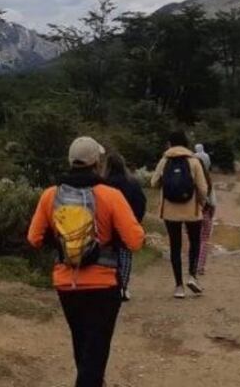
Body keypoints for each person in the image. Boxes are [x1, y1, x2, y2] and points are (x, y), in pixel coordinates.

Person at [28, 136, 145, 387]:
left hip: (66, 283)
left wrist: (62, 242)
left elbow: (34, 238)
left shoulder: (50, 195)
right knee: (96, 352)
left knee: (83, 347)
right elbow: (135, 241)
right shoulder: (111, 195)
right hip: (103, 284)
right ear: (96, 163)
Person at [150, 130, 208, 299]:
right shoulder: (194, 161)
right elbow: (203, 188)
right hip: (192, 210)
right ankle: (192, 276)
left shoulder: (164, 161)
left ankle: (178, 286)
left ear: (170, 144)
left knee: (175, 246)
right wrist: (201, 203)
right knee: (195, 242)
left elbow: (153, 182)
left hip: (170, 211)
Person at [103, 152, 147, 301]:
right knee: (125, 255)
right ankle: (123, 287)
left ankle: (109, 285)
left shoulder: (103, 183)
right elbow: (141, 202)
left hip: (107, 226)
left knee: (108, 257)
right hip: (126, 224)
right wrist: (136, 221)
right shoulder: (132, 183)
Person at [193, 143, 216, 275]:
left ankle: (193, 263)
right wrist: (212, 212)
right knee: (204, 239)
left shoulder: (191, 178)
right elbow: (212, 201)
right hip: (206, 211)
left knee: (193, 238)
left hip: (192, 212)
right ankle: (200, 266)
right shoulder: (207, 179)